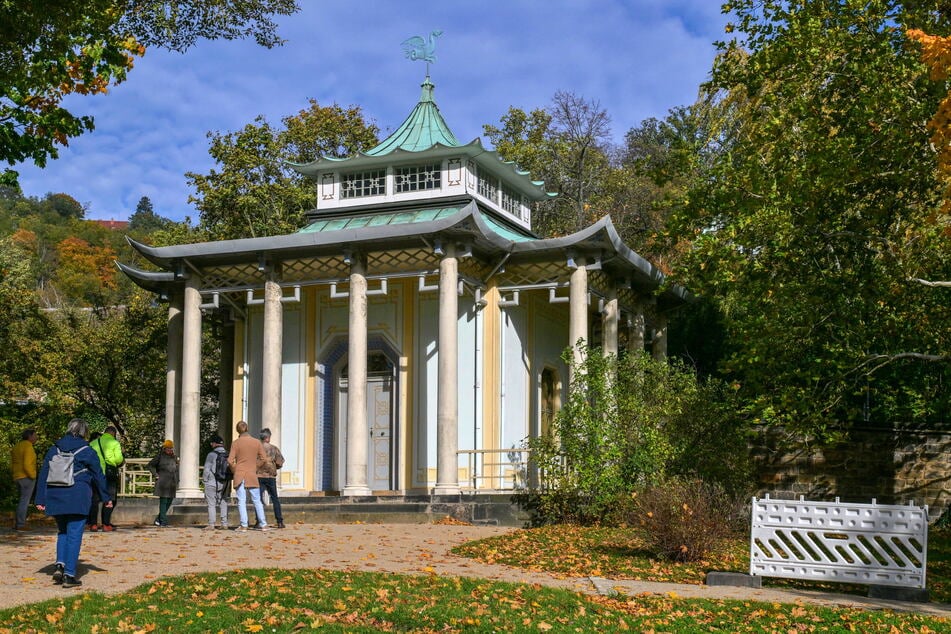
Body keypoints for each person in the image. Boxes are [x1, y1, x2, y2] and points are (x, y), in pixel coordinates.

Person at [34, 418, 112, 588]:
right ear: (84, 432)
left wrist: (40, 498)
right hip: (78, 495)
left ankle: (60, 564)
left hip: (56, 495)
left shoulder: (54, 448)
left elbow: (44, 472)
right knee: (74, 533)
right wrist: (106, 497)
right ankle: (69, 575)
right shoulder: (87, 450)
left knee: (62, 531)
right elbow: (98, 475)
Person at [228, 420, 270, 532]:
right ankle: (263, 524)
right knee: (257, 500)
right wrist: (255, 467)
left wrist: (235, 470)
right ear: (247, 428)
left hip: (240, 473)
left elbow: (230, 460)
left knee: (241, 500)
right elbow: (264, 459)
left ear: (237, 430)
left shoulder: (236, 443)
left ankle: (244, 525)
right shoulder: (256, 442)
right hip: (252, 473)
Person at [86, 425, 124, 532]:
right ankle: (106, 524)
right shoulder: (114, 443)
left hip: (94, 474)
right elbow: (118, 459)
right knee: (110, 498)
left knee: (95, 499)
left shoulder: (93, 443)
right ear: (113, 434)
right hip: (109, 474)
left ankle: (93, 524)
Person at [256, 428, 286, 529]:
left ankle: (258, 521)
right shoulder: (274, 448)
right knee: (275, 498)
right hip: (271, 476)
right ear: (268, 437)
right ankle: (279, 521)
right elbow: (280, 461)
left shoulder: (257, 448)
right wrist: (274, 467)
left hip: (259, 476)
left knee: (258, 499)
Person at [202, 434, 230, 530]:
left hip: (212, 482)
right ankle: (224, 523)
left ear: (214, 444)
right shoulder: (228, 454)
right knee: (223, 501)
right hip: (225, 482)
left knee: (211, 503)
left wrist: (205, 480)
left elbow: (206, 469)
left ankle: (211, 524)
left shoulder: (211, 455)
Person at [148, 440, 179, 527]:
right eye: (168, 448)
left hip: (172, 483)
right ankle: (163, 522)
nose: (170, 450)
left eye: (171, 448)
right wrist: (156, 475)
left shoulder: (174, 457)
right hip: (163, 483)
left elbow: (176, 470)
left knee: (169, 501)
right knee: (164, 501)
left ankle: (158, 519)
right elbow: (150, 465)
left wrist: (177, 480)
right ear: (164, 448)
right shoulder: (159, 456)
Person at [11, 428, 37, 531]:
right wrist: (33, 476)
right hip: (26, 477)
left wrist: (14, 474)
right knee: (24, 501)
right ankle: (21, 524)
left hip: (17, 476)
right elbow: (27, 464)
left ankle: (17, 523)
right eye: (35, 435)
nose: (36, 437)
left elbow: (12, 463)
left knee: (21, 500)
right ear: (29, 436)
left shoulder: (17, 446)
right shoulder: (28, 446)